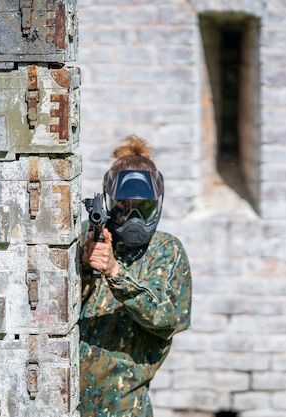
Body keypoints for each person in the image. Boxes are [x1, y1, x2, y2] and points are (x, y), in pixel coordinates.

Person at [78, 135, 192, 417]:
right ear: (110, 203)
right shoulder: (86, 237)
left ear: (157, 203)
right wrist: (83, 268)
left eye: (144, 207)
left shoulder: (167, 250)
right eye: (125, 207)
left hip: (127, 408)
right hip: (65, 402)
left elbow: (166, 318)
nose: (134, 219)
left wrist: (114, 271)